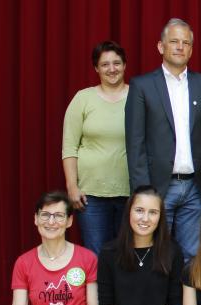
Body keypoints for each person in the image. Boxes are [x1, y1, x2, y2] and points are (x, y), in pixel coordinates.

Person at [125, 18, 201, 260]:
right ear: (161, 46)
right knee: (154, 253)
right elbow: (135, 142)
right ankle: (159, 300)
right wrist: (143, 190)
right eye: (174, 42)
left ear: (191, 49)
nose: (180, 47)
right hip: (158, 187)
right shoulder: (142, 85)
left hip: (195, 187)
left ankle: (186, 300)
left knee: (192, 255)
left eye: (186, 43)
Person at [62, 41, 131, 254]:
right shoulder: (83, 99)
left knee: (127, 256)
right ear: (96, 68)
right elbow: (69, 147)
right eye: (105, 64)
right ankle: (97, 291)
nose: (112, 69)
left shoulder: (138, 96)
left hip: (131, 192)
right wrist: (72, 187)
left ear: (125, 65)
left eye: (117, 63)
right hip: (91, 195)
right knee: (96, 255)